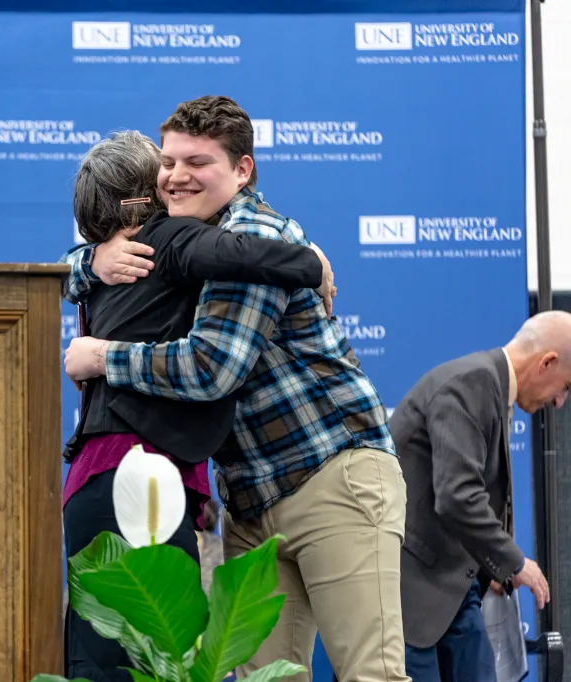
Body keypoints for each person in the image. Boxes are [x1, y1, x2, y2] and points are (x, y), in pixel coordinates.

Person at [61, 95, 410, 682]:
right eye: (167, 163)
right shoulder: (178, 235)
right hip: (250, 498)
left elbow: (210, 368)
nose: (176, 176)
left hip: (332, 477)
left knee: (370, 673)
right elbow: (85, 262)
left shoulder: (247, 235)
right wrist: (91, 262)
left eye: (197, 162)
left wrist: (102, 357)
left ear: (242, 169)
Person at [391, 311, 568, 681]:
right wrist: (516, 562)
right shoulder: (472, 382)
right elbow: (457, 496)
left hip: (455, 585)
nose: (560, 402)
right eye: (566, 386)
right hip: (412, 596)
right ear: (547, 362)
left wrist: (493, 568)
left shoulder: (490, 387)